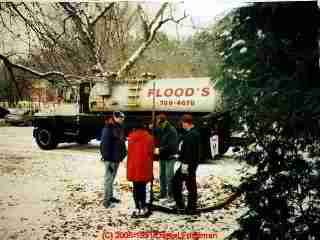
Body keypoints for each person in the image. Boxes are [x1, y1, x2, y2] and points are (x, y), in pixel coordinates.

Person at [173, 114, 201, 214]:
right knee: (190, 185)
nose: (182, 125)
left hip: (187, 164)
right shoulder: (194, 133)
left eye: (182, 123)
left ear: (186, 123)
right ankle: (190, 207)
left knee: (177, 182)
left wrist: (184, 165)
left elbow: (189, 153)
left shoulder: (191, 135)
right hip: (191, 164)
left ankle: (183, 205)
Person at [127, 121, 154, 218]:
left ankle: (137, 207)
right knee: (142, 187)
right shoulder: (149, 138)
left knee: (135, 187)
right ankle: (143, 207)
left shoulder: (131, 137)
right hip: (144, 166)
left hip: (133, 166)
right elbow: (151, 152)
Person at [100, 111, 127, 208]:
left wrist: (123, 154)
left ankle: (110, 197)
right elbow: (104, 145)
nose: (122, 120)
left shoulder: (118, 127)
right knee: (109, 179)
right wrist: (107, 158)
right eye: (120, 118)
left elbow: (121, 142)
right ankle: (106, 202)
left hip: (116, 158)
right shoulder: (109, 128)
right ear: (115, 118)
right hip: (110, 159)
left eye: (122, 118)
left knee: (112, 179)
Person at [153, 113, 179, 202]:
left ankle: (170, 195)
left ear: (161, 121)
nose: (156, 122)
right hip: (163, 156)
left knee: (169, 176)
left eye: (157, 121)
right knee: (162, 176)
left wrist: (160, 150)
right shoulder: (161, 129)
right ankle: (163, 193)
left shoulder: (171, 130)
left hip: (170, 156)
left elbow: (172, 145)